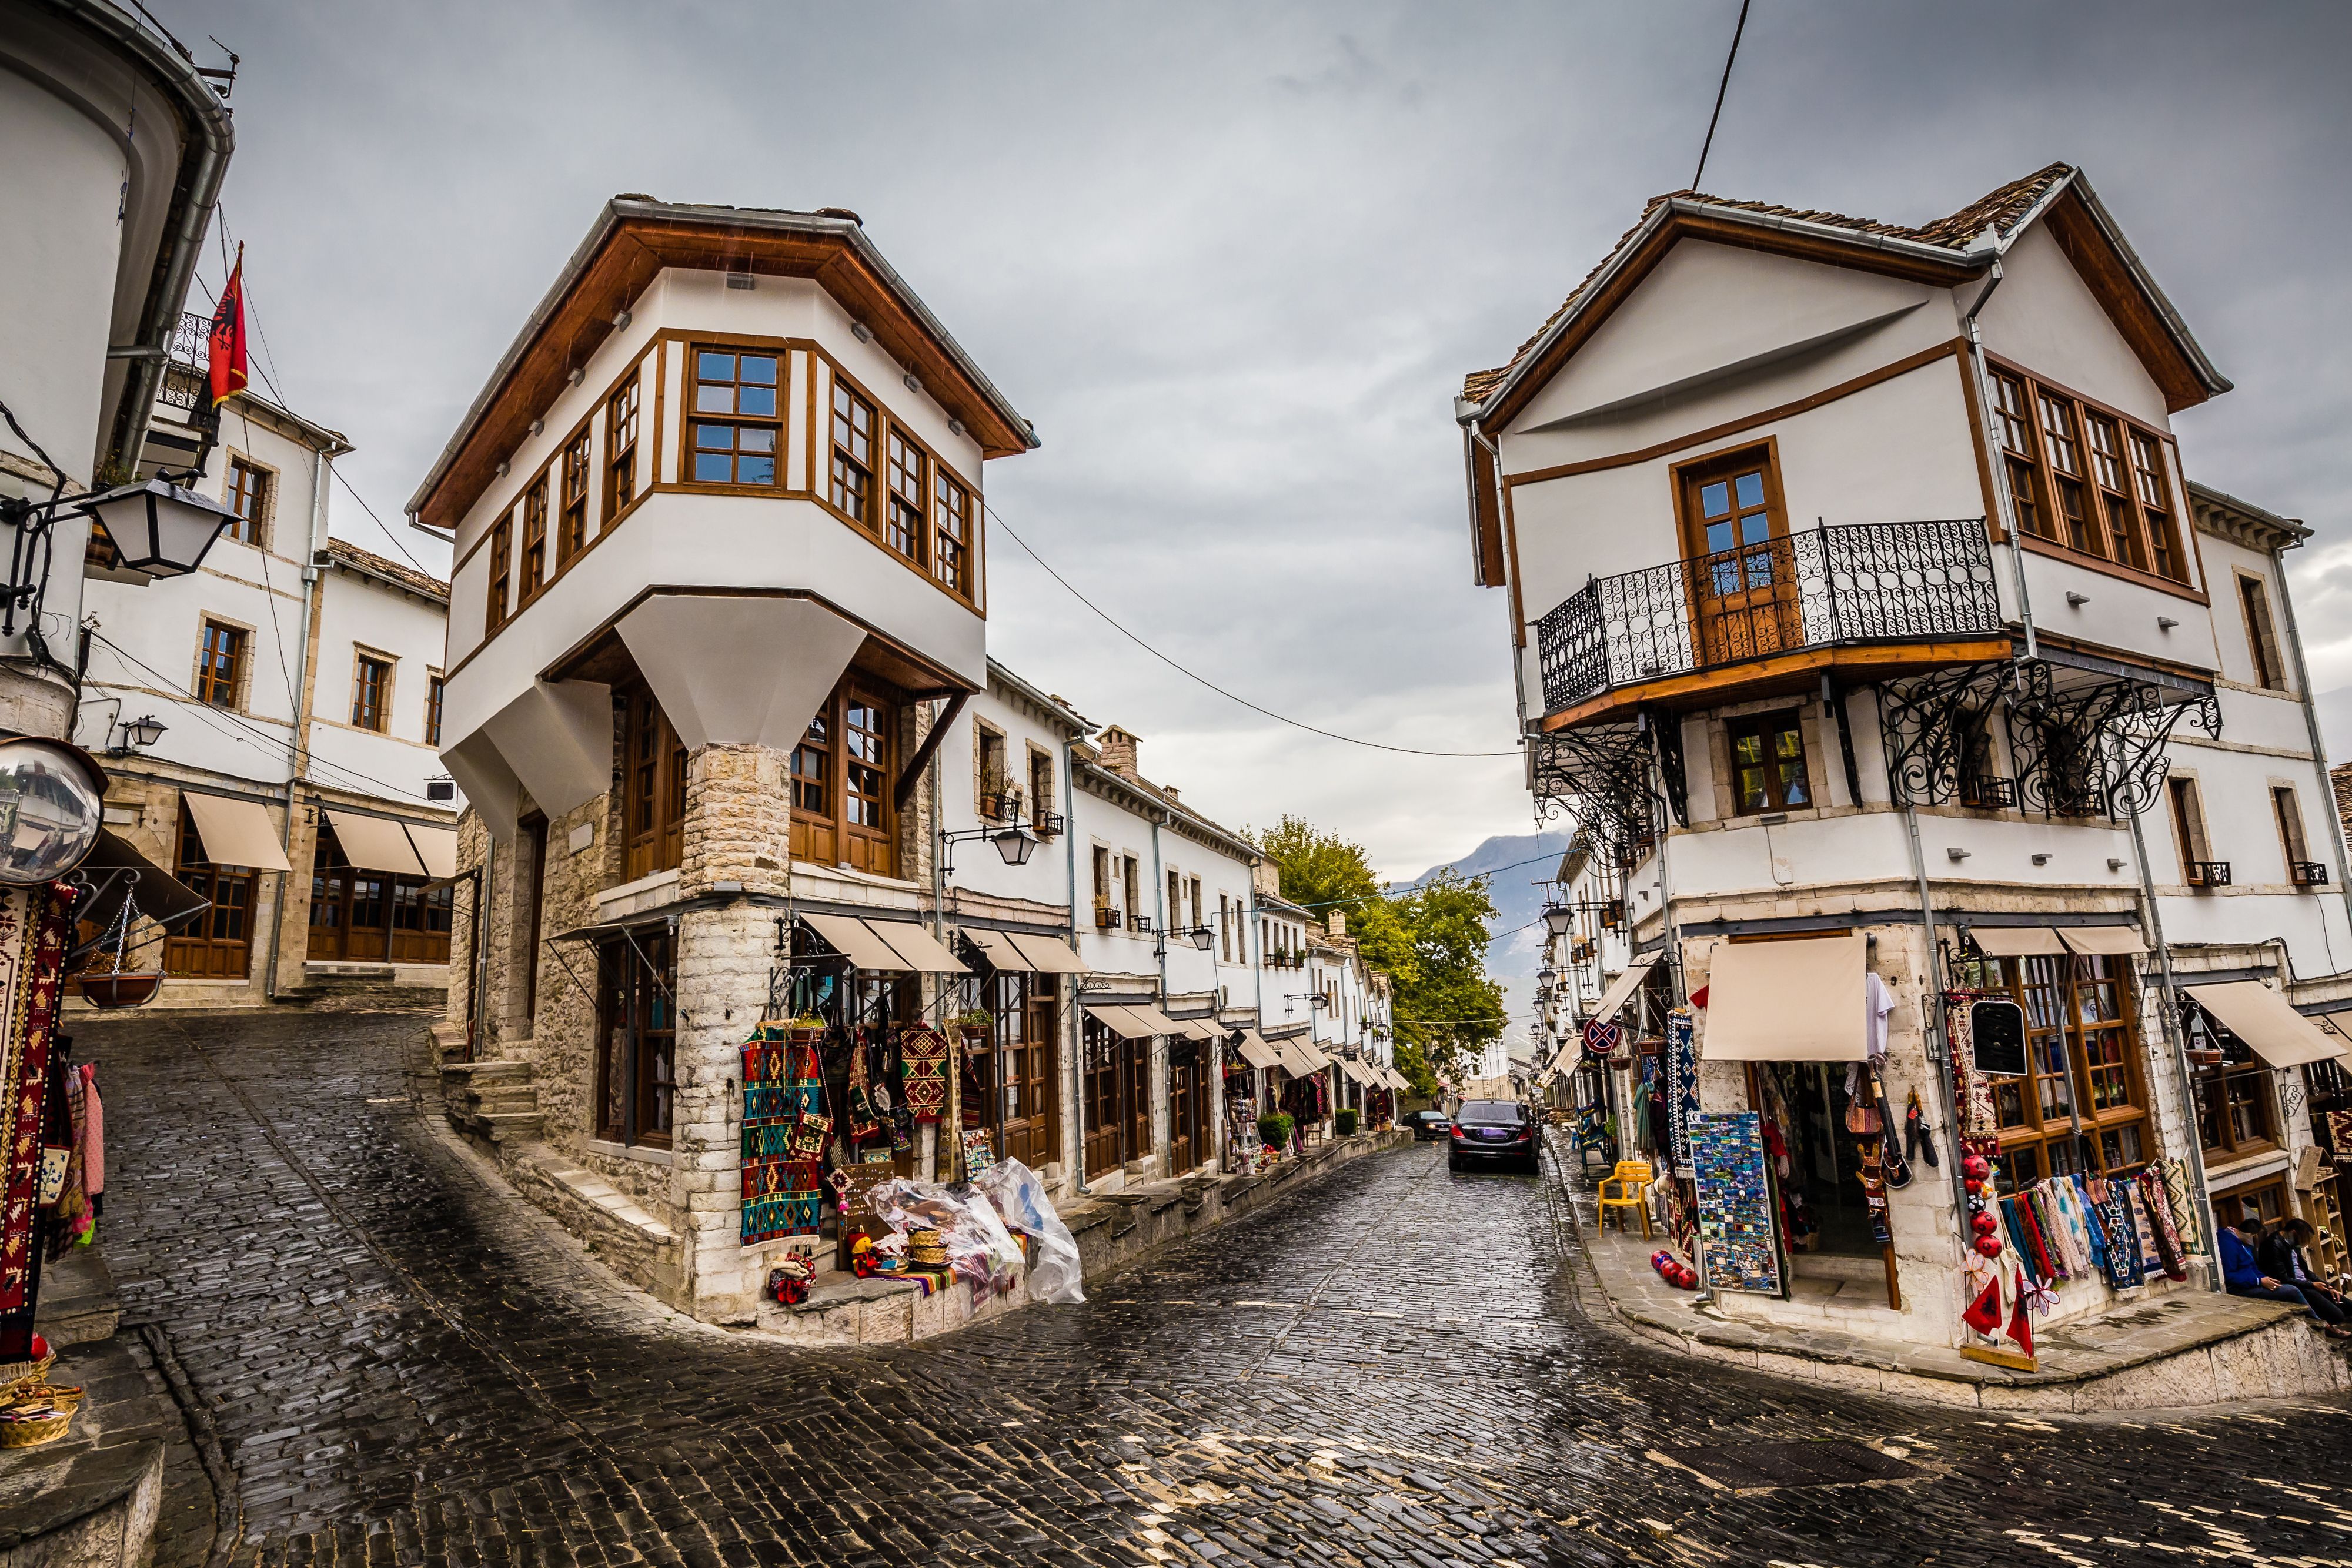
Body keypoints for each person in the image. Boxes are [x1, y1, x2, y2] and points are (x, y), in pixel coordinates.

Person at [2220, 1214, 2348, 1336]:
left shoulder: (2245, 1245)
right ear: (2250, 1235)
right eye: (2254, 1237)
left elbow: (2254, 1267)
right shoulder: (2230, 1245)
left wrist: (2264, 1279)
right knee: (2292, 1291)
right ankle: (2321, 1323)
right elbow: (2230, 1276)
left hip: (2260, 1281)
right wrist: (2259, 1281)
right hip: (2243, 1288)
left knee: (2345, 1305)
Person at [2256, 1216, 2347, 1329]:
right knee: (2337, 1316)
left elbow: (2305, 1271)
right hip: (2298, 1286)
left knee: (2346, 1304)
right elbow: (2283, 1278)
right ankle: (2329, 1326)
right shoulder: (2273, 1246)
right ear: (2294, 1233)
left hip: (2306, 1283)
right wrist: (2312, 1285)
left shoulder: (2293, 1244)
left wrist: (2327, 1285)